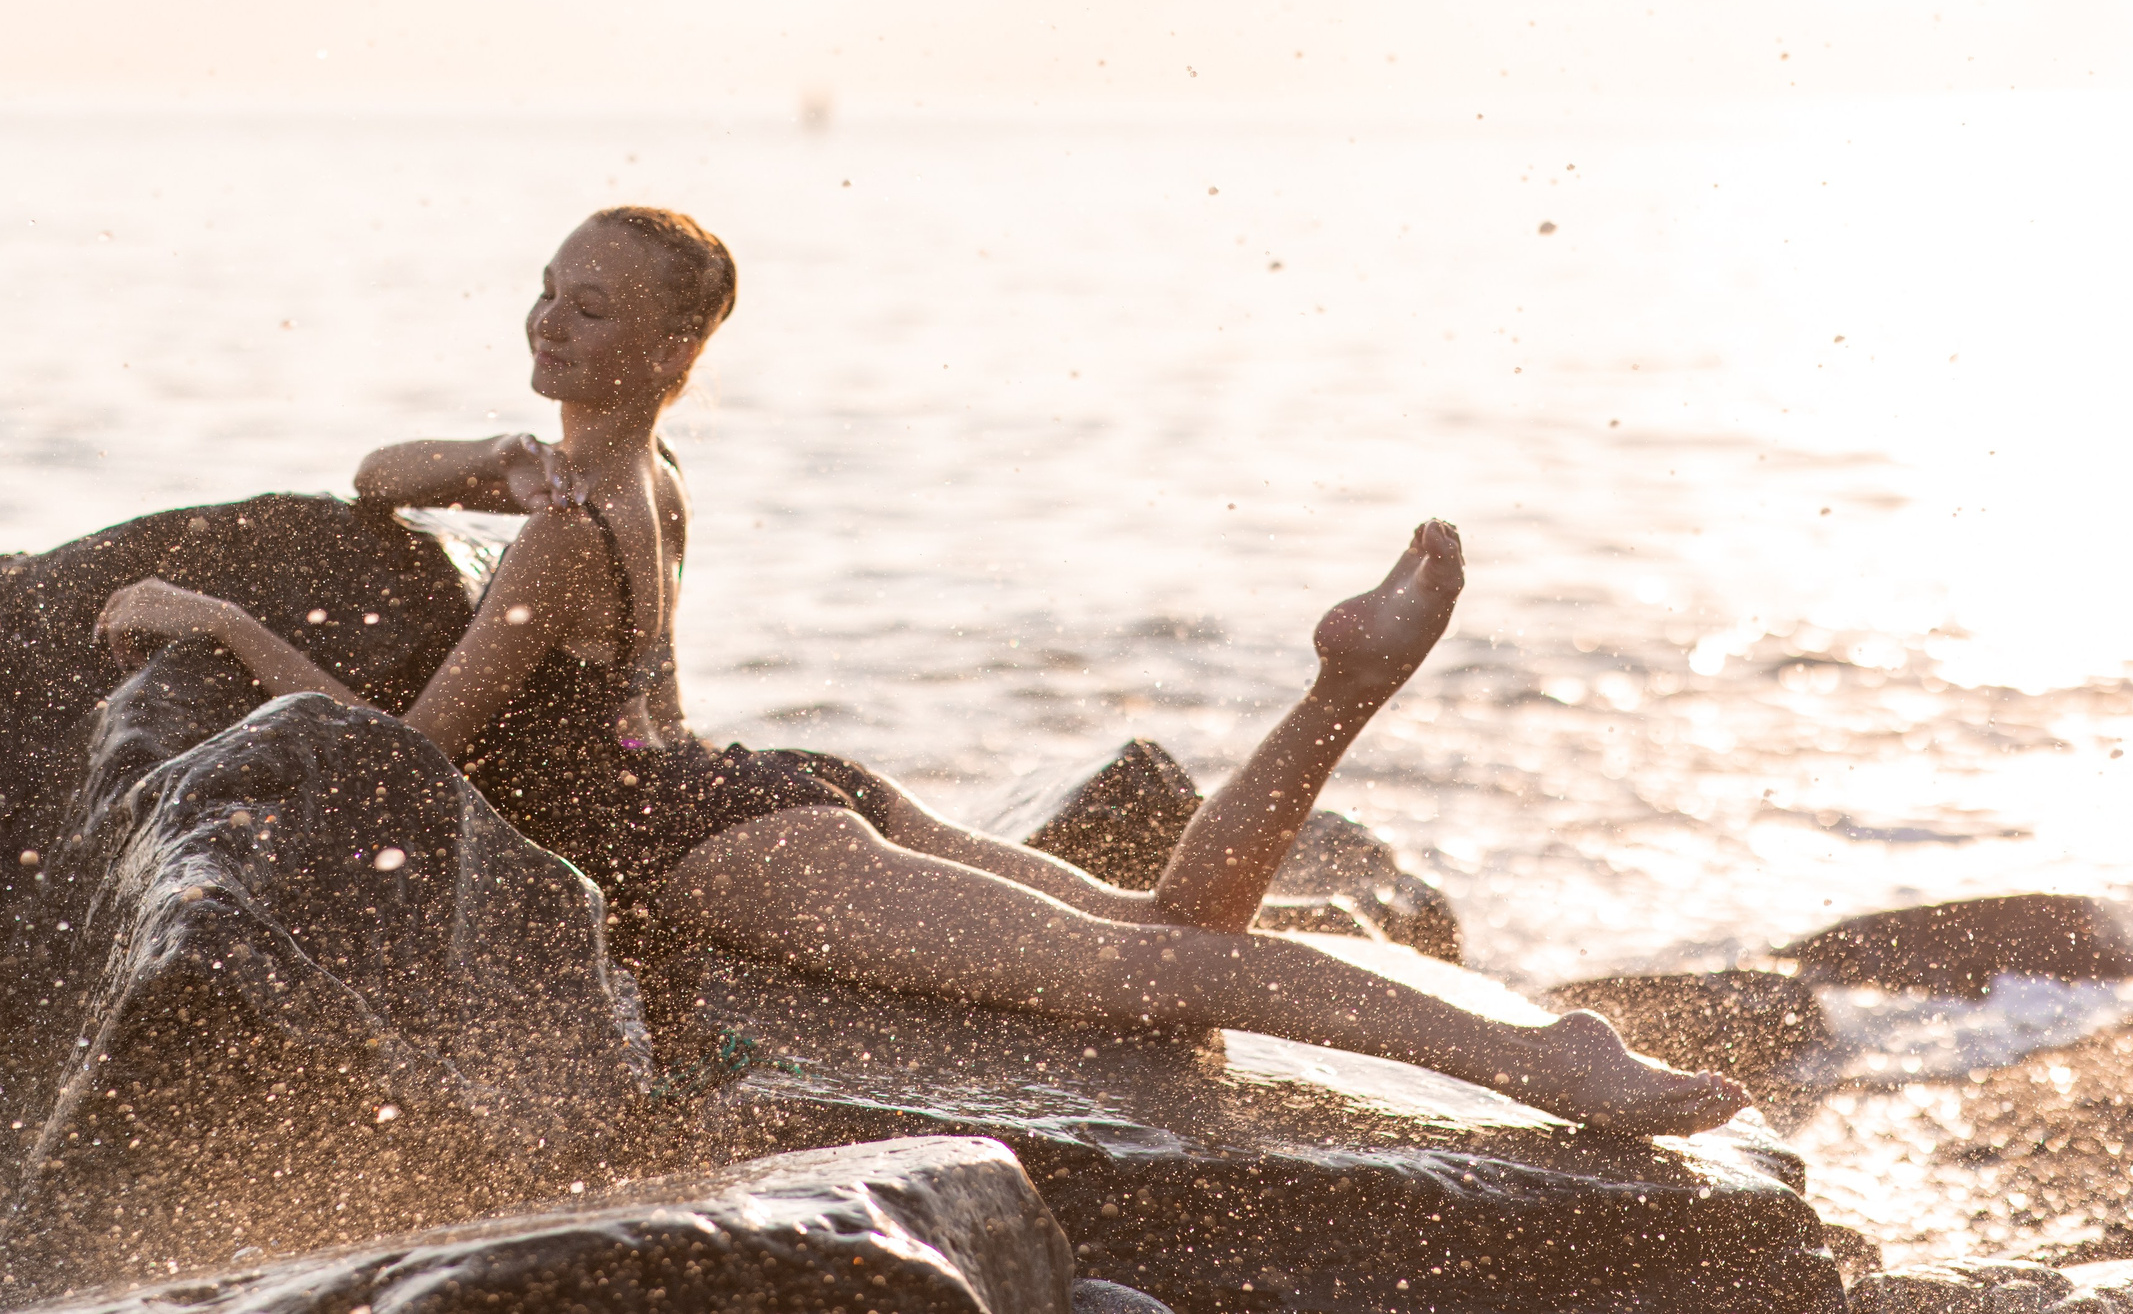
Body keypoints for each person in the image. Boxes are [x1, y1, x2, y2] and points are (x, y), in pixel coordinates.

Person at [96, 206, 1749, 1136]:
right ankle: (1335, 696)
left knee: (1159, 982)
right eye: (541, 293)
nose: (546, 324)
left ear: (667, 350)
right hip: (766, 788)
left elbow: (413, 757)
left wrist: (227, 632)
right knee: (1172, 933)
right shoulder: (631, 481)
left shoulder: (557, 530)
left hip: (716, 843)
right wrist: (487, 451)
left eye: (586, 312)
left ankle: (1549, 1064)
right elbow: (384, 474)